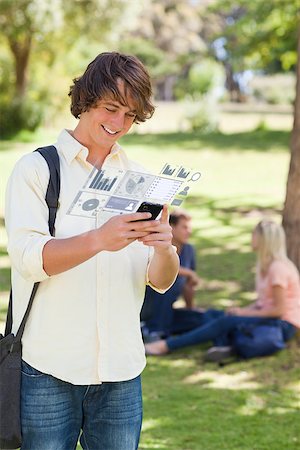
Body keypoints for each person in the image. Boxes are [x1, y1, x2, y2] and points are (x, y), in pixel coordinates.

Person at [5, 52, 179, 450]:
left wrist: (166, 246)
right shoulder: (37, 170)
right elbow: (29, 260)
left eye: (131, 116)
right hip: (49, 369)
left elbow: (160, 280)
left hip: (122, 371)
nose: (118, 124)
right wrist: (100, 239)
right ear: (85, 100)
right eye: (110, 108)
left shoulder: (137, 180)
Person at [145, 220, 300, 360]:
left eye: (254, 234)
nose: (252, 238)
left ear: (264, 240)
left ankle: (166, 346)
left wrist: (245, 313)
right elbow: (265, 303)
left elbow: (279, 311)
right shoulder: (266, 267)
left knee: (226, 320)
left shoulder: (278, 269)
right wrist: (242, 310)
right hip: (269, 317)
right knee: (212, 314)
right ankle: (224, 345)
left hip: (283, 324)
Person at [141, 209, 203, 341]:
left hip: (167, 308)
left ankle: (155, 329)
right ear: (171, 227)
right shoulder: (155, 246)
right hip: (149, 305)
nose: (189, 231)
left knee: (200, 319)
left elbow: (188, 285)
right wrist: (188, 272)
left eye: (189, 227)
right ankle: (153, 329)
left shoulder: (189, 250)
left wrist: (190, 309)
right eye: (184, 227)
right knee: (170, 283)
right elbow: (162, 270)